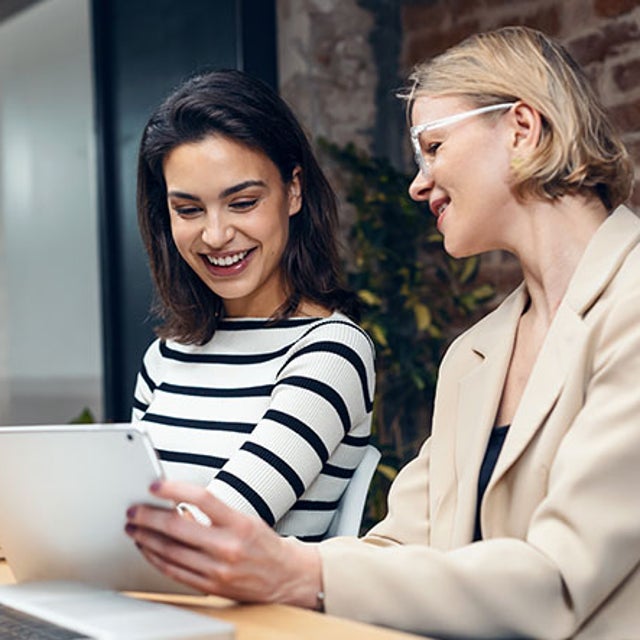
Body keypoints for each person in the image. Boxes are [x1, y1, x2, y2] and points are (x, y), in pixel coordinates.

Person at [126, 26, 640, 638]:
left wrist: (296, 570)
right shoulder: (476, 354)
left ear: (522, 129)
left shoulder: (629, 309)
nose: (417, 183)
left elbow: (559, 578)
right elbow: (398, 543)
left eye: (434, 146)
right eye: (188, 209)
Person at [131, 69, 375, 542]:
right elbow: (131, 512)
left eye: (242, 202)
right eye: (188, 210)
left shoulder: (331, 352)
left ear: (294, 191)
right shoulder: (165, 357)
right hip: (149, 604)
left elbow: (218, 531)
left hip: (260, 616)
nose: (216, 235)